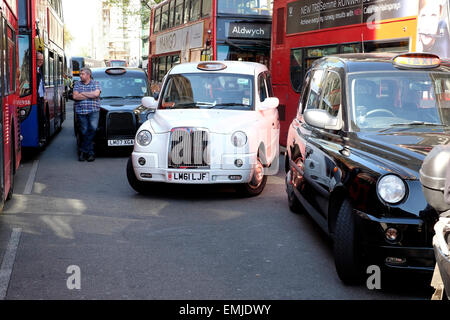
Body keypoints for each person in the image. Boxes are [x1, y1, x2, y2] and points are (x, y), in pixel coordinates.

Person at [73, 67, 101, 162]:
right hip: (81, 111)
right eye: (80, 74)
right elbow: (75, 96)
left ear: (88, 75)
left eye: (82, 74)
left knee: (93, 129)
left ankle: (83, 151)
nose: (80, 76)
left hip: (94, 111)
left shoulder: (96, 83)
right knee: (84, 131)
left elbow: (96, 95)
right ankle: (90, 153)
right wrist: (90, 95)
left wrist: (83, 93)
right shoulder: (77, 84)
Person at [36, 52, 47, 145]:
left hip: (41, 98)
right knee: (40, 118)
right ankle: (40, 137)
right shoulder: (33, 70)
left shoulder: (40, 70)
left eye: (42, 60)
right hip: (36, 98)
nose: (41, 62)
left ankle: (42, 136)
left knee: (42, 118)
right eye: (39, 60)